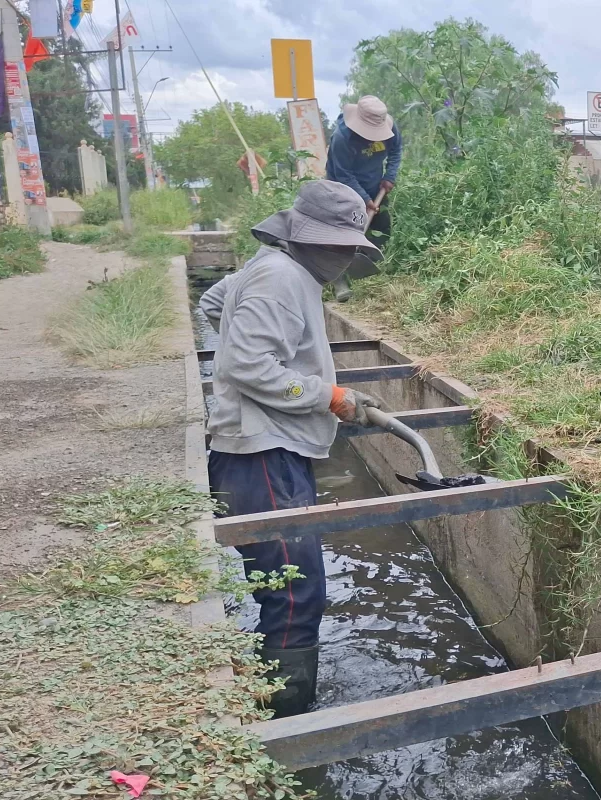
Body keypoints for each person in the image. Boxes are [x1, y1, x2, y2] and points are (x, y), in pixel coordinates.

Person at [199, 180, 383, 717]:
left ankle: (273, 705)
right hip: (260, 455)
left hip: (267, 450)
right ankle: (285, 723)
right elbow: (244, 365)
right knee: (295, 595)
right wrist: (325, 394)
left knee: (288, 588)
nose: (345, 256)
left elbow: (216, 304)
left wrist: (285, 375)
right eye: (340, 245)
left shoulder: (272, 269)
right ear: (310, 239)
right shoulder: (281, 278)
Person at [324, 95, 403, 302]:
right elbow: (344, 174)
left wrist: (389, 177)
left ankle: (368, 270)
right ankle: (339, 279)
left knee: (381, 227)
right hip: (343, 189)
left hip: (375, 186)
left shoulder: (390, 128)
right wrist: (365, 199)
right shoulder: (342, 138)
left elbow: (396, 151)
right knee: (344, 231)